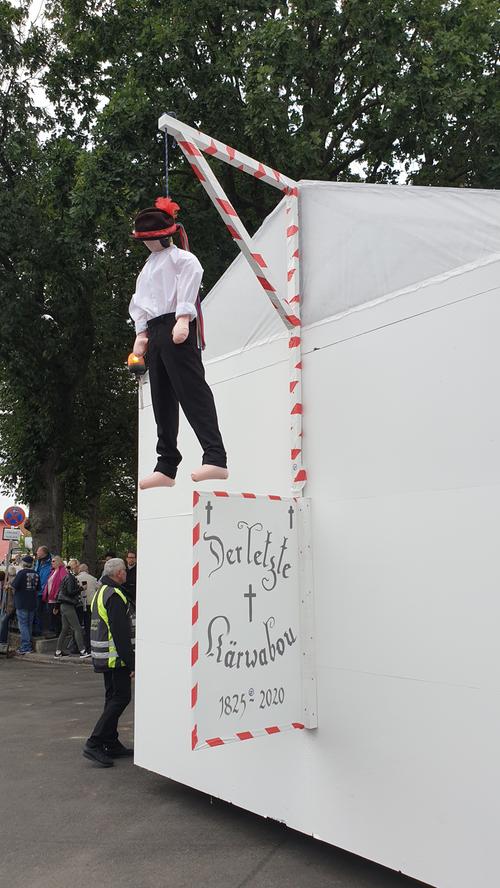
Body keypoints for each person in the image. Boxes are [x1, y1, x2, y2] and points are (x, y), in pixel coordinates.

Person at [129, 196, 228, 490]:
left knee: (192, 390)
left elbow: (190, 282)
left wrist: (184, 317)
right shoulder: (147, 267)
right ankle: (166, 463)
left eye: (149, 239)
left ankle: (215, 456)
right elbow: (140, 302)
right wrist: (141, 333)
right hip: (157, 330)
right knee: (161, 397)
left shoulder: (182, 259)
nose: (147, 245)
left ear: (162, 236)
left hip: (175, 324)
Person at [83, 558, 135, 767]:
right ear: (118, 573)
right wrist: (131, 663)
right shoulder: (114, 595)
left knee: (112, 698)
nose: (125, 574)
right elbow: (120, 633)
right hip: (115, 658)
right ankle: (94, 742)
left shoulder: (101, 591)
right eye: (123, 571)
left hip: (104, 656)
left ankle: (110, 741)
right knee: (121, 697)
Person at [53, 567, 90, 660]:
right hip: (68, 605)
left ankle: (58, 651)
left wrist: (56, 606)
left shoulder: (66, 577)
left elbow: (61, 592)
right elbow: (70, 592)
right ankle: (82, 651)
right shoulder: (71, 577)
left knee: (65, 629)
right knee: (77, 628)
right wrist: (81, 588)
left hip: (63, 605)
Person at [11, 555, 39, 654]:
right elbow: (38, 588)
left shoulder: (21, 573)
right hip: (32, 602)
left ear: (24, 563)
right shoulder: (36, 574)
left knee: (23, 625)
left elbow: (14, 586)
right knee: (29, 625)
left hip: (21, 602)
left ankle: (26, 647)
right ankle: (28, 646)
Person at [42, 556, 67, 636]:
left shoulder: (62, 571)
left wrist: (57, 594)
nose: (51, 563)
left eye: (53, 561)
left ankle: (58, 632)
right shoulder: (52, 571)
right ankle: (54, 631)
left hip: (57, 598)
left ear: (59, 562)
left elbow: (63, 583)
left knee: (57, 616)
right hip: (50, 597)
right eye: (51, 561)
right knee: (51, 615)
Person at [77, 563, 98, 651]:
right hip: (90, 604)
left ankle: (79, 646)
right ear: (87, 570)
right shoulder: (93, 579)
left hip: (80, 604)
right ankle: (89, 645)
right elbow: (98, 588)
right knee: (89, 625)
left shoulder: (76, 578)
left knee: (78, 625)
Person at [34, 546, 52, 636]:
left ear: (43, 553)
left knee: (46, 610)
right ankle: (38, 630)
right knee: (37, 610)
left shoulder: (51, 561)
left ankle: (48, 629)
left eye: (38, 551)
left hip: (46, 591)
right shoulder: (38, 561)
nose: (36, 552)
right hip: (38, 590)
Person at [0, 565, 16, 654]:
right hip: (6, 607)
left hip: (10, 608)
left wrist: (9, 587)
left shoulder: (12, 583)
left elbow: (14, 596)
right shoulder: (8, 583)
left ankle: (2, 642)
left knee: (3, 622)